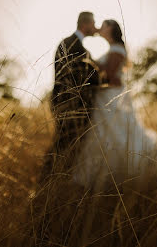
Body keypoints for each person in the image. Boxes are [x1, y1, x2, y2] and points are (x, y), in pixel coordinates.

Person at [73, 19, 157, 190]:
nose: (101, 27)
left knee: (116, 135)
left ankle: (118, 176)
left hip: (111, 97)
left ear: (111, 29)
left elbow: (111, 76)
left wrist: (89, 65)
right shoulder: (113, 49)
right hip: (105, 97)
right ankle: (100, 178)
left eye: (104, 25)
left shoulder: (116, 49)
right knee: (103, 135)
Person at [40, 11, 101, 184]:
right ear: (85, 25)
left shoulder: (70, 44)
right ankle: (47, 182)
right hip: (69, 104)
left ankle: (56, 182)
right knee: (63, 145)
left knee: (67, 145)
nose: (95, 27)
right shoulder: (72, 45)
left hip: (69, 103)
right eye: (93, 24)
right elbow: (80, 77)